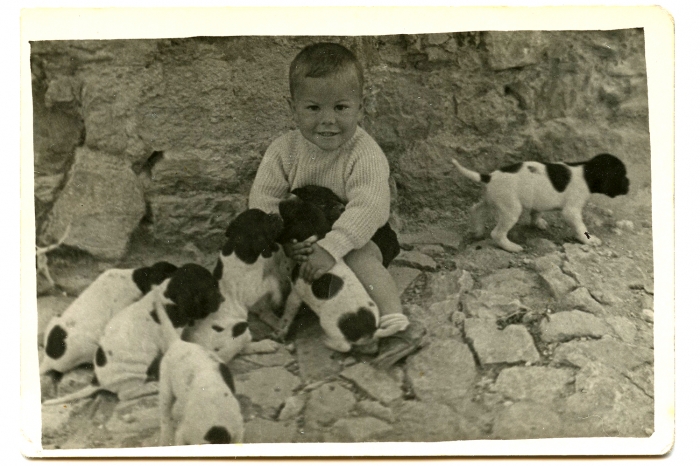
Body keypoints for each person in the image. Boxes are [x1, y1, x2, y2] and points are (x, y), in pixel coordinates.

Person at [248, 42, 425, 368]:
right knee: (271, 261)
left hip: (358, 233)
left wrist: (332, 247)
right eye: (313, 108)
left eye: (341, 108)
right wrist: (274, 241)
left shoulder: (365, 153)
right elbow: (264, 199)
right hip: (310, 231)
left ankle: (393, 321)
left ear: (361, 107)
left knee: (363, 256)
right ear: (293, 108)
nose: (327, 120)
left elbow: (369, 207)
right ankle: (299, 306)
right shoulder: (284, 150)